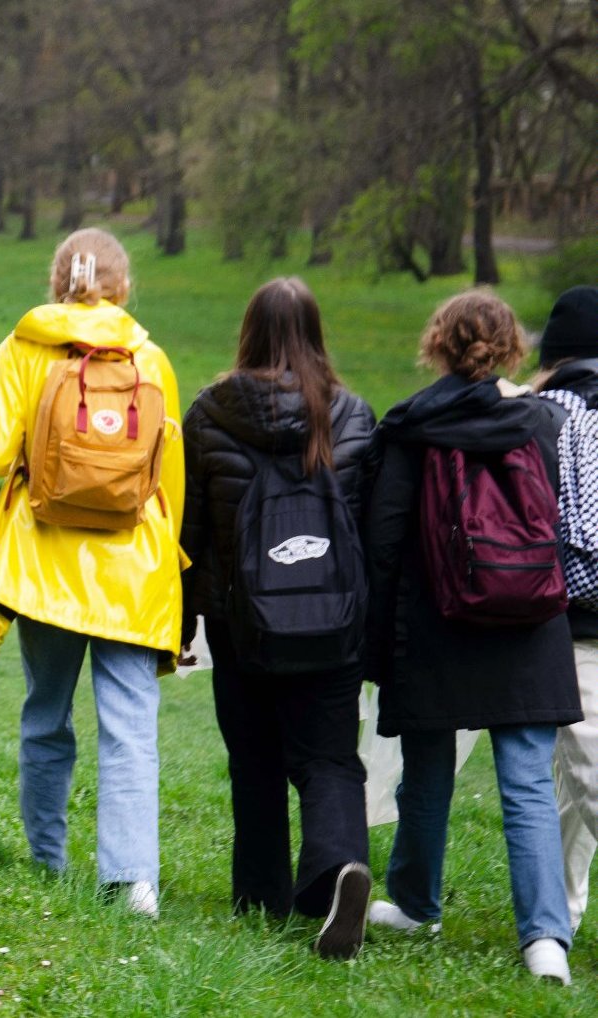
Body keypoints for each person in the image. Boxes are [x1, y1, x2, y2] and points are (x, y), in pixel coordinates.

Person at [0, 227, 183, 917]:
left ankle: (46, 859)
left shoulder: (26, 348)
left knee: (46, 716)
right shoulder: (149, 358)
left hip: (45, 566)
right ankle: (132, 883)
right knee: (130, 726)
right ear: (122, 287)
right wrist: (171, 564)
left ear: (56, 282)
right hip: (135, 572)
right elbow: (170, 477)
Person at [360, 290, 580, 985]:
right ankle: (545, 938)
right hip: (530, 622)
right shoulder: (540, 423)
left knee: (426, 774)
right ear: (513, 347)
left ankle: (418, 904)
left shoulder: (409, 427)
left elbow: (385, 540)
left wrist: (374, 641)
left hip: (437, 621)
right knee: (526, 783)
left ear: (437, 343)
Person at [179, 277, 376, 957]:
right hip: (332, 623)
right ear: (317, 333)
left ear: (248, 331)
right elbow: (368, 533)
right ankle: (338, 868)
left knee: (254, 759)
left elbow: (191, 531)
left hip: (242, 625)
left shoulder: (208, 414)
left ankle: (259, 896)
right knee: (328, 758)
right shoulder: (352, 415)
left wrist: (181, 625)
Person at [532, 285, 598, 935]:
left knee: (588, 766)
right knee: (572, 784)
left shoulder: (549, 416)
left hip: (579, 620)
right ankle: (562, 911)